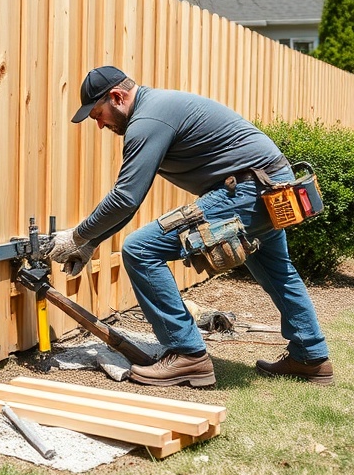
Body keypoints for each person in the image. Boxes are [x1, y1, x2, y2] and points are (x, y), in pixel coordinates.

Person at [42, 65, 333, 388]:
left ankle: (187, 355)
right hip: (270, 184)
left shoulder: (147, 121)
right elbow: (131, 200)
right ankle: (310, 356)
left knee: (140, 249)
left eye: (98, 114)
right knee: (277, 270)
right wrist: (90, 243)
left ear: (117, 97)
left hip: (248, 188)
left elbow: (125, 198)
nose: (99, 125)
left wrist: (76, 235)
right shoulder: (157, 108)